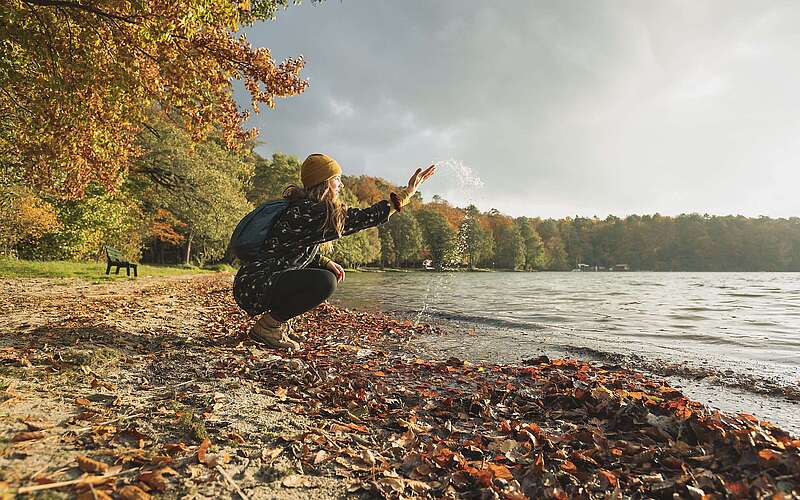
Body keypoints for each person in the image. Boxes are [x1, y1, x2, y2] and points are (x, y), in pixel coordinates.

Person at [233, 153, 436, 349]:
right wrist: (407, 193)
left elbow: (289, 249)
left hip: (254, 283)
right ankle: (268, 326)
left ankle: (278, 323)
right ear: (324, 182)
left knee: (327, 273)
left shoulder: (302, 208)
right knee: (325, 282)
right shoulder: (312, 212)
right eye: (337, 179)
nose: (341, 184)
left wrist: (324, 261)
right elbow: (365, 217)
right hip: (256, 285)